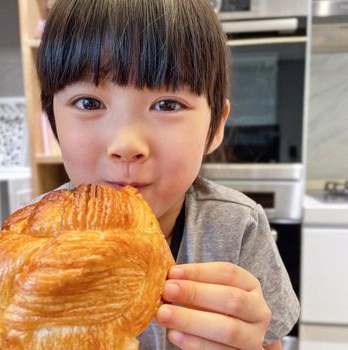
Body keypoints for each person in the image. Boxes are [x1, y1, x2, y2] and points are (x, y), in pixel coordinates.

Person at [36, 0, 300, 349]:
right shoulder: (33, 238)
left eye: (167, 104)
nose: (126, 145)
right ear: (53, 121)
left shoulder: (238, 226)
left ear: (215, 125)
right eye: (89, 103)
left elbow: (270, 341)